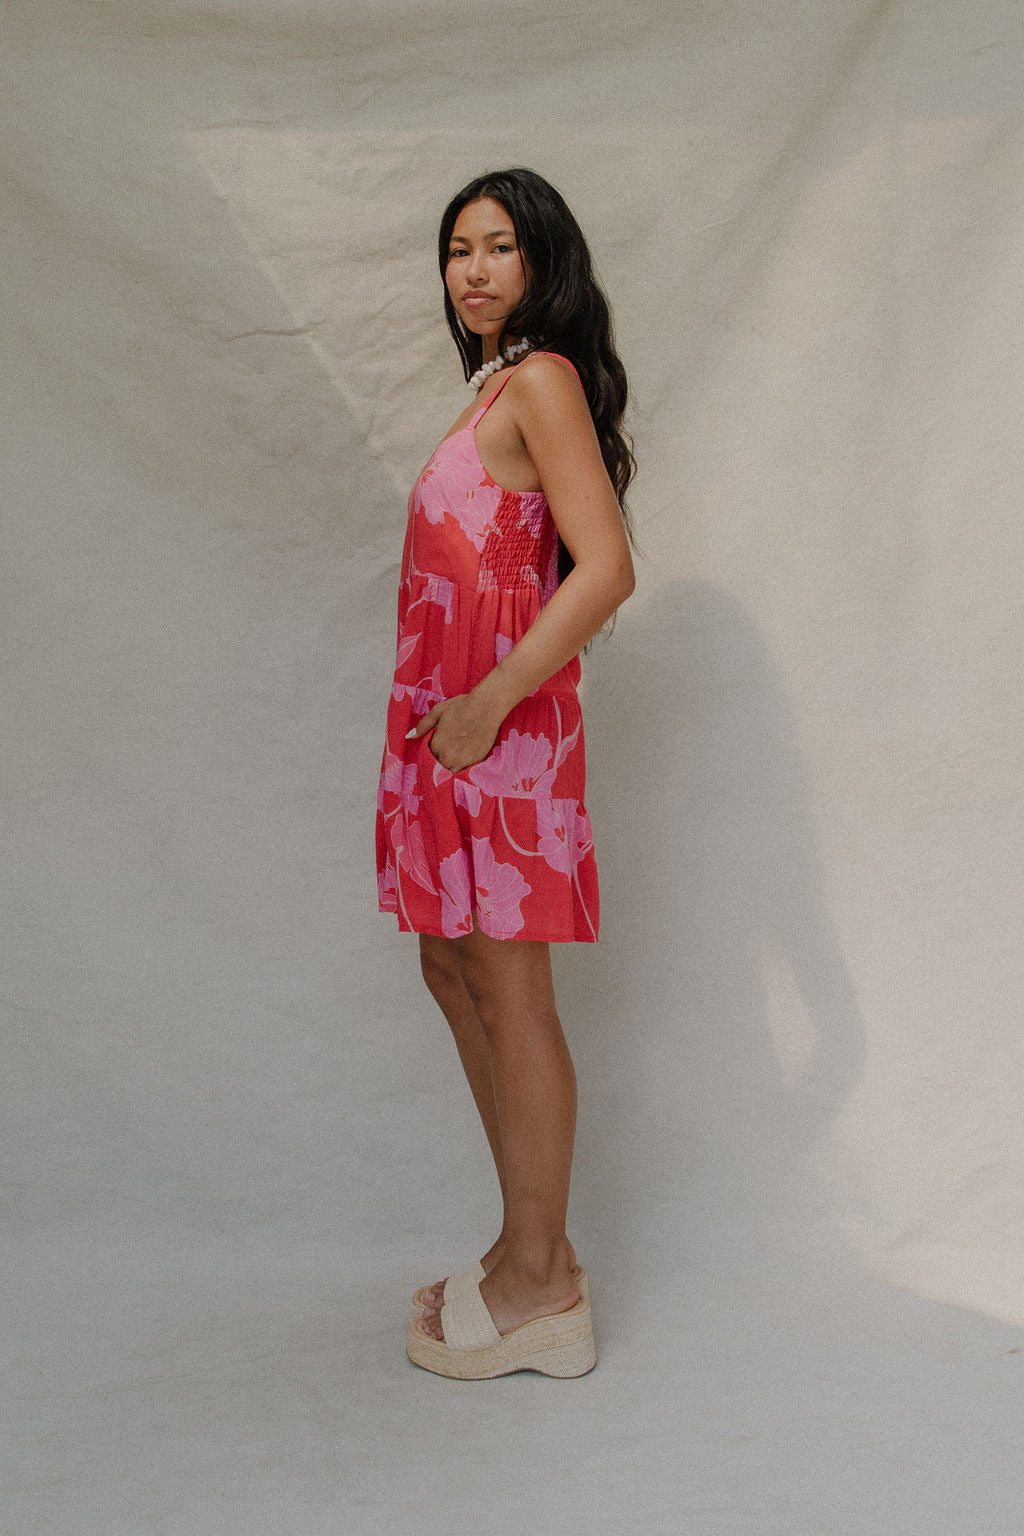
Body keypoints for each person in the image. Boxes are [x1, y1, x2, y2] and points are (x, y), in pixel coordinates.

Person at [375, 168, 636, 1379]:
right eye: (455, 250)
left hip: (501, 730)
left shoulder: (540, 382)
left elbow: (605, 569)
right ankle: (526, 1247)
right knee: (451, 964)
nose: (473, 270)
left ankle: (541, 1286)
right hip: (452, 731)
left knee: (508, 986)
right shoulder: (493, 384)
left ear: (543, 261)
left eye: (498, 248)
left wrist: (485, 702)